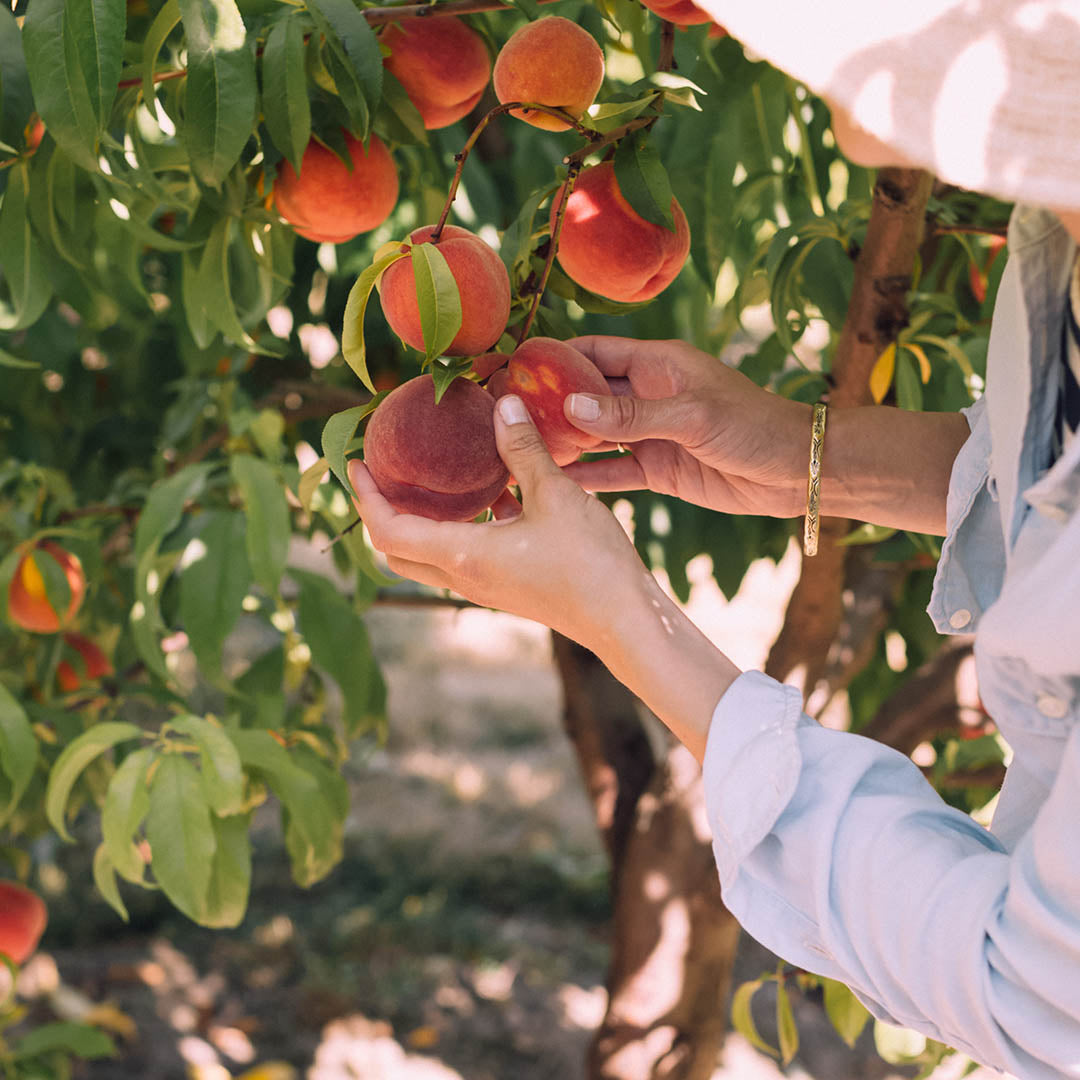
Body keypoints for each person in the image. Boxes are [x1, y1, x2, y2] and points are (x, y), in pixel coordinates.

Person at [348, 2, 1080, 1074]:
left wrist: (628, 624)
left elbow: (1035, 996)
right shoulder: (1057, 226)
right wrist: (802, 451)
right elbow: (1056, 485)